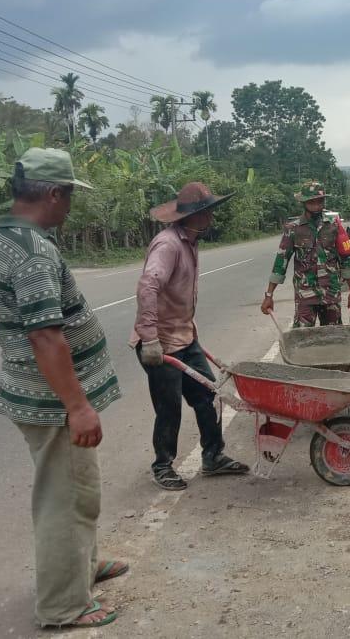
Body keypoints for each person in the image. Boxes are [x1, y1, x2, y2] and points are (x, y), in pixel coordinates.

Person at [0, 148, 125, 629]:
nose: (70, 207)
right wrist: (77, 405)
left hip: (43, 395)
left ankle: (82, 567)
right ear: (53, 193)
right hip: (51, 401)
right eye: (68, 196)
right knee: (64, 497)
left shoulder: (8, 237)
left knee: (79, 487)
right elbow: (45, 335)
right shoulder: (32, 251)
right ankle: (65, 603)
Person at [131, 182, 249, 491]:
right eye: (207, 211)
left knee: (207, 396)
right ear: (194, 216)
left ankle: (213, 456)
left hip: (185, 337)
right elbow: (148, 286)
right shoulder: (168, 244)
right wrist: (150, 338)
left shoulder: (191, 241)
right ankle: (162, 464)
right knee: (169, 407)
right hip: (161, 343)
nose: (212, 216)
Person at [260, 181, 350, 327]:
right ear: (304, 202)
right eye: (312, 202)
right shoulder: (293, 229)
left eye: (320, 201)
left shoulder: (335, 226)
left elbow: (346, 260)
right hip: (305, 296)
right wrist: (269, 295)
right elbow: (280, 264)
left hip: (331, 294)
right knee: (302, 340)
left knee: (334, 340)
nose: (317, 205)